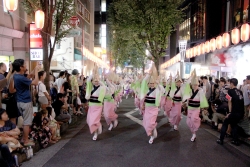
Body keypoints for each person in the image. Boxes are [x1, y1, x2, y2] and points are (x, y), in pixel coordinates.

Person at [12, 59, 39, 146]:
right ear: (21, 67)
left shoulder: (16, 76)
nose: (26, 66)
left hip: (19, 100)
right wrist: (37, 71)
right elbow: (35, 82)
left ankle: (24, 138)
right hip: (25, 101)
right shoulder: (20, 77)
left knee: (24, 122)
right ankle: (26, 140)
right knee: (27, 122)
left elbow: (29, 76)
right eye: (25, 64)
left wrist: (35, 69)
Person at [217, 78, 244, 146]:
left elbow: (229, 102)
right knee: (234, 124)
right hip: (240, 113)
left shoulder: (230, 91)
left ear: (231, 84)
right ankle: (235, 140)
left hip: (234, 112)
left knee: (225, 123)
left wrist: (229, 112)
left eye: (229, 83)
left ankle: (221, 140)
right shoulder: (240, 91)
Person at [140, 64, 161, 144]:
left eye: (152, 83)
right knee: (146, 123)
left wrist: (158, 83)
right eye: (150, 83)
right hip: (147, 109)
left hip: (154, 109)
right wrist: (149, 74)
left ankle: (152, 136)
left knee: (150, 123)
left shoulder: (157, 90)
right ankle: (153, 131)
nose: (151, 84)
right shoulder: (146, 90)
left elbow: (162, 91)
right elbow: (144, 82)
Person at [186, 70, 208, 142]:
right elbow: (186, 96)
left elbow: (203, 95)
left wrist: (204, 109)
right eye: (193, 84)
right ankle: (193, 133)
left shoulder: (200, 91)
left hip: (196, 109)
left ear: (198, 84)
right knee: (189, 122)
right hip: (190, 108)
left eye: (196, 84)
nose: (194, 86)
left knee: (193, 119)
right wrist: (190, 77)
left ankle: (197, 124)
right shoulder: (189, 91)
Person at [85, 66, 106, 141]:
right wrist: (93, 74)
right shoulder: (90, 87)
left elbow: (105, 88)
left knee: (94, 121)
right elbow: (88, 81)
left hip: (98, 107)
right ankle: (98, 128)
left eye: (97, 81)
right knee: (90, 121)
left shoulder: (102, 87)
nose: (96, 82)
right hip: (91, 107)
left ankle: (96, 134)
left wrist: (99, 79)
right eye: (94, 80)